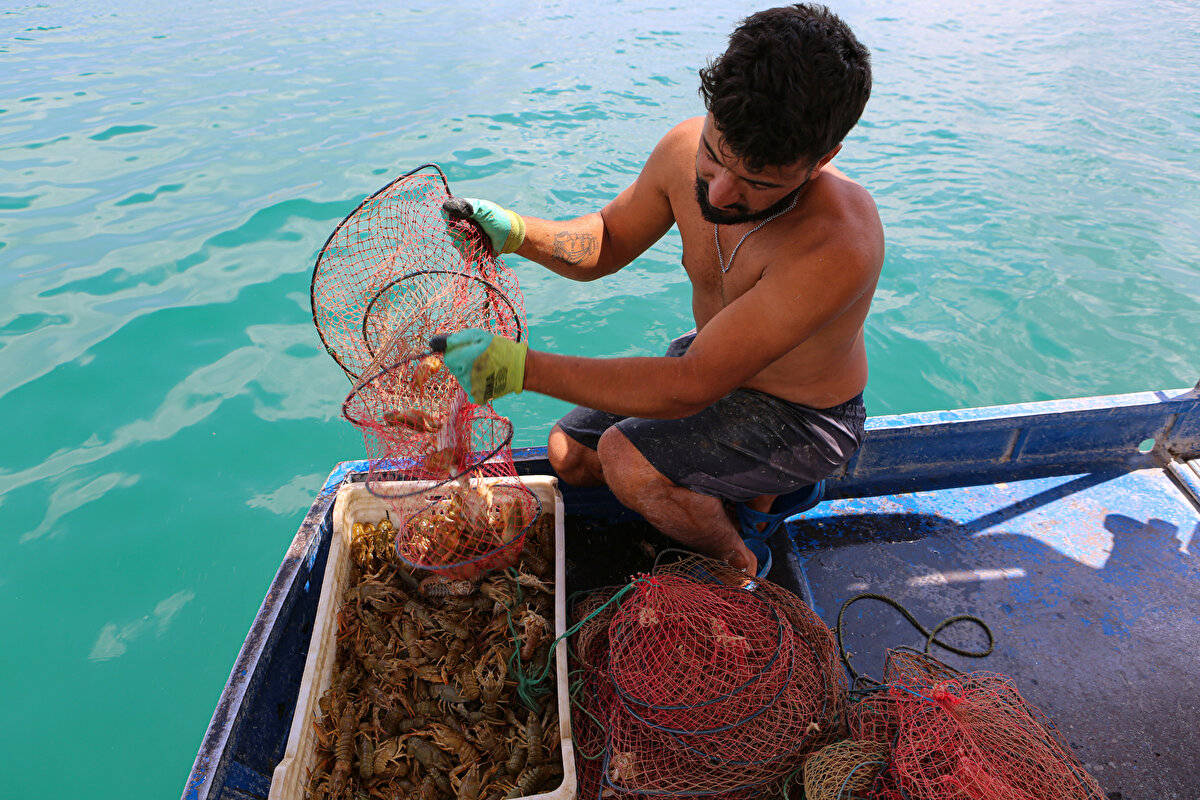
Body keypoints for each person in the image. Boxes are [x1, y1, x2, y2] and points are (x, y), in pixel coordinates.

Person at [441, 4, 882, 577]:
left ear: (821, 161)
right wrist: (517, 233)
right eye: (715, 158)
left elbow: (689, 386)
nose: (721, 194)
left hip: (805, 417)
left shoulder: (837, 242)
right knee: (568, 456)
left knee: (627, 460)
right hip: (712, 364)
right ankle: (732, 495)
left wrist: (519, 369)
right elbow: (607, 240)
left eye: (757, 183)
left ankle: (742, 558)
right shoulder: (681, 150)